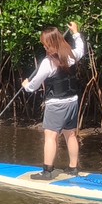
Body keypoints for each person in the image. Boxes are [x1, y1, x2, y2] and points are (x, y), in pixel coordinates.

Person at [21, 21, 85, 179]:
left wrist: (26, 85)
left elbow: (34, 85)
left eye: (45, 45)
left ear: (51, 44)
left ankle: (47, 171)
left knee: (50, 136)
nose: (44, 47)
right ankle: (73, 168)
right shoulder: (71, 55)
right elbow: (81, 49)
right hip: (72, 102)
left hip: (56, 104)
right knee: (70, 135)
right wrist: (76, 33)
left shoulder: (47, 63)